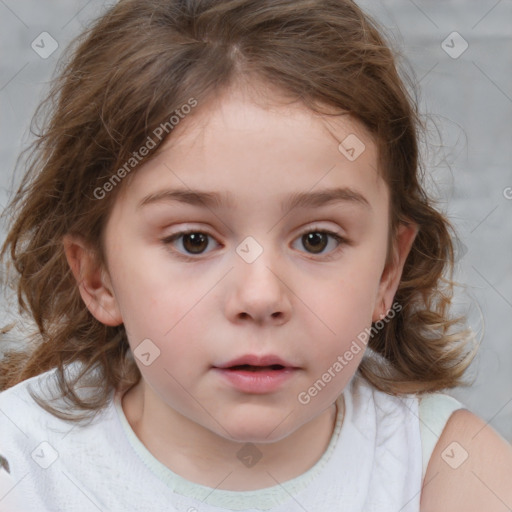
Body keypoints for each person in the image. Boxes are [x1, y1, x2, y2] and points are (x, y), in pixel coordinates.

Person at [0, 0, 511, 510]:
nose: (261, 296)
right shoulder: (22, 467)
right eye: (193, 240)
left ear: (387, 272)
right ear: (97, 277)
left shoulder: (445, 471)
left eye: (317, 239)